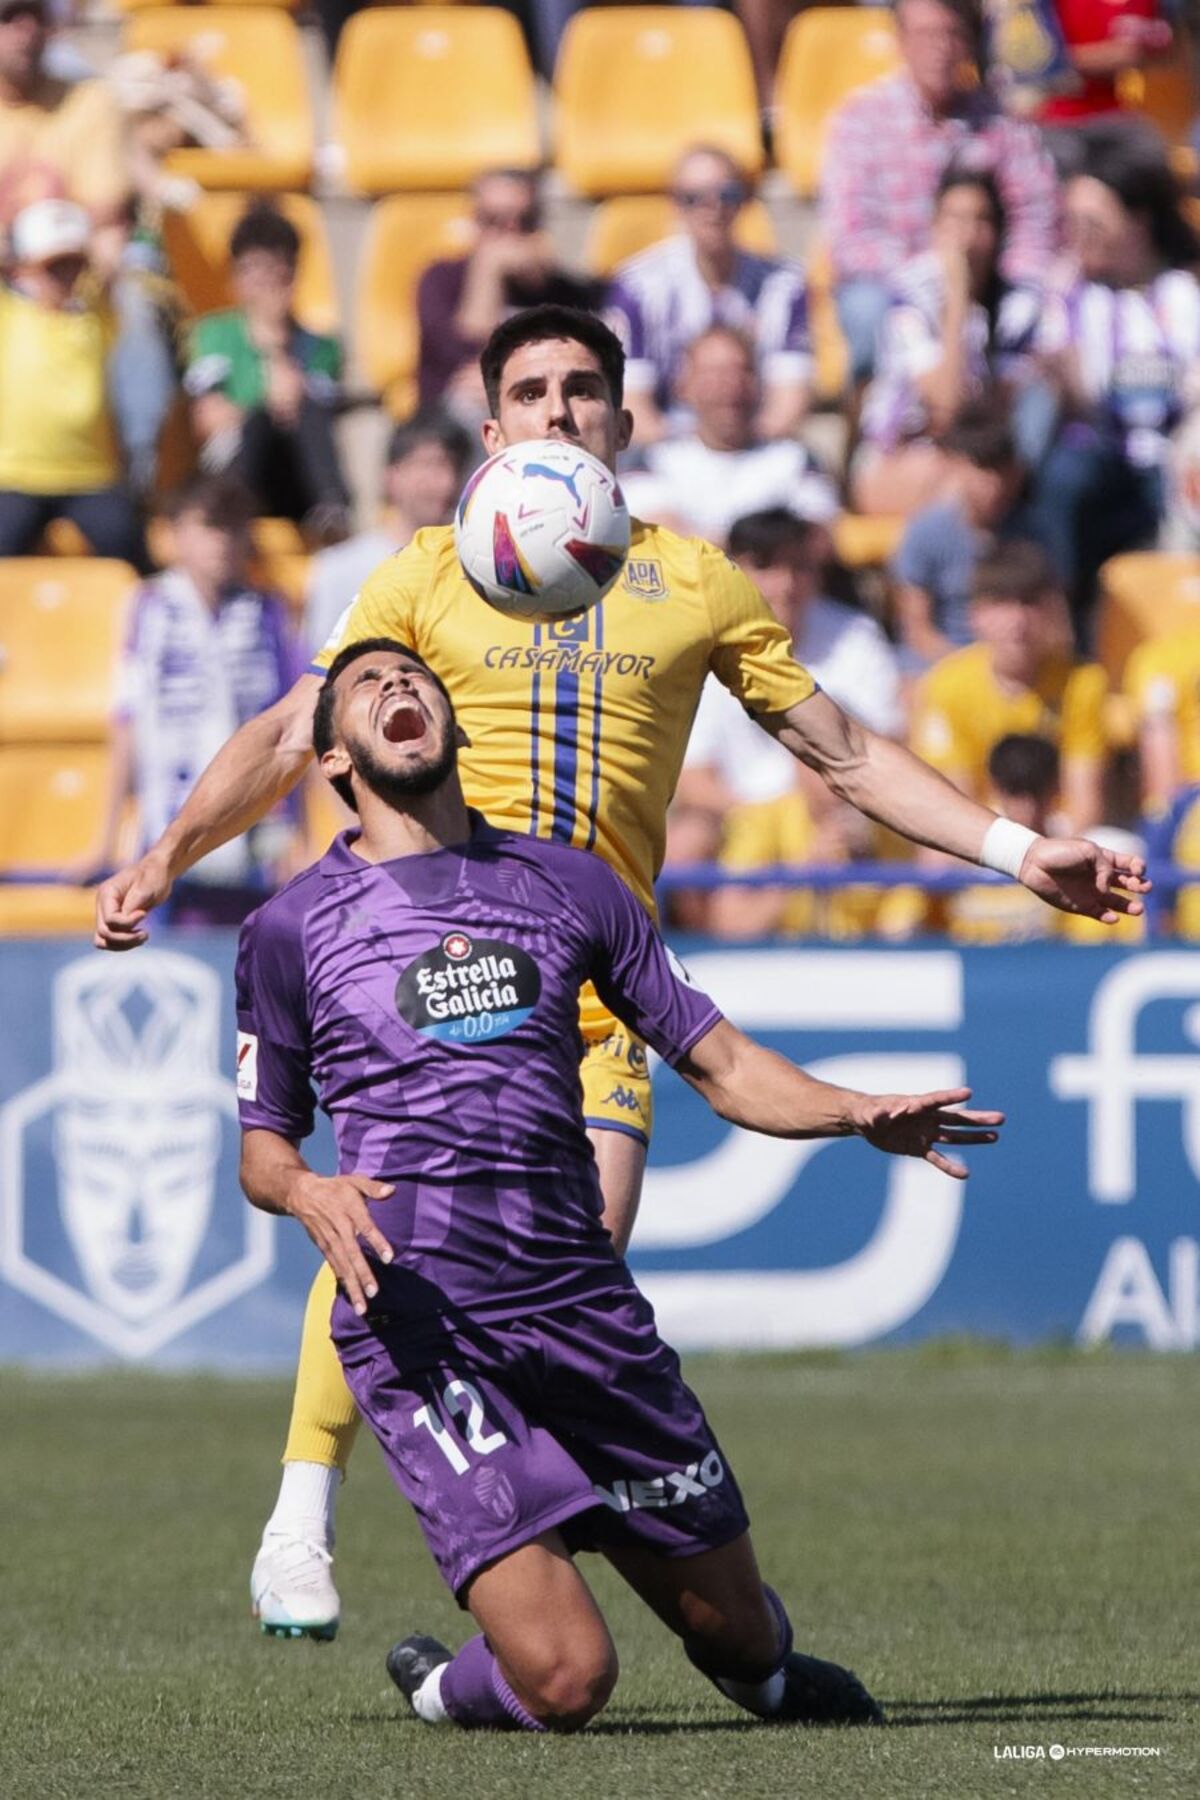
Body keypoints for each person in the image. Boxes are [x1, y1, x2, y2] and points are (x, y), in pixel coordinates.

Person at [94, 305, 1149, 1640]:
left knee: (573, 1272)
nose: (559, 410)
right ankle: (304, 1505)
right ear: (489, 432)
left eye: (583, 388)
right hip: (441, 972)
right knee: (402, 1223)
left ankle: (512, 1614)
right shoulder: (424, 574)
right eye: (530, 390)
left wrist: (1011, 847)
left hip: (601, 987)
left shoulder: (695, 581)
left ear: (624, 419)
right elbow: (287, 733)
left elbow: (841, 751)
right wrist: (164, 853)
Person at [236, 635, 1004, 1731]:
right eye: (365, 687)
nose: (398, 688)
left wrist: (854, 1112)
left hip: (581, 1302)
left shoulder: (568, 883)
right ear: (334, 762)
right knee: (567, 1681)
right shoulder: (289, 928)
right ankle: (444, 1688)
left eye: (415, 679)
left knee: (742, 1640)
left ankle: (762, 1673)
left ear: (452, 726)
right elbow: (262, 1147)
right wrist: (308, 1191)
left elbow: (725, 1065)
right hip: (429, 1325)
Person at [72, 475, 303, 921]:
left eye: (233, 528)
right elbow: (127, 720)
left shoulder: (269, 610)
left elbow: (294, 724)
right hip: (170, 827)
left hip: (257, 840)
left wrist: (301, 837)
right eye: (208, 527)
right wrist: (105, 837)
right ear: (174, 533)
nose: (221, 542)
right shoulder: (148, 606)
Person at [677, 507, 902, 940]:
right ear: (733, 571)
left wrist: (824, 810)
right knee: (688, 843)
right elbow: (695, 780)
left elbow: (888, 743)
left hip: (843, 801)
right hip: (743, 814)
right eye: (765, 566)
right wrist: (774, 822)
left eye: (798, 566)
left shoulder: (856, 634)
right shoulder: (699, 645)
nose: (786, 583)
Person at [821, 0, 1057, 389]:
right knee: (867, 311)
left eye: (953, 35)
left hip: (988, 283)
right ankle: (874, 431)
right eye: (928, 35)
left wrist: (1017, 280)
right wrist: (933, 273)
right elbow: (850, 238)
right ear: (901, 40)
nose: (941, 48)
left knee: (1043, 328)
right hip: (896, 283)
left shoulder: (999, 121)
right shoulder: (861, 119)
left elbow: (1036, 214)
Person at [1030, 126, 1200, 643]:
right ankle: (1062, 628)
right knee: (1063, 477)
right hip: (1104, 455)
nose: (1080, 235)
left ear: (1138, 221)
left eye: (1094, 222)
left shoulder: (1183, 292)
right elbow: (1079, 403)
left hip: (1175, 453)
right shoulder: (1070, 294)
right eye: (1072, 222)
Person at [854, 170, 1044, 516]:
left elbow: (1004, 411)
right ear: (935, 226)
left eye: (981, 221)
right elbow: (945, 402)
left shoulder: (1018, 304)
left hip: (978, 457)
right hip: (900, 454)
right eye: (955, 219)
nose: (968, 235)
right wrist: (957, 296)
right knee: (954, 488)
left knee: (990, 480)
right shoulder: (909, 294)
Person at [605, 144, 811, 446]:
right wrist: (696, 454)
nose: (713, 208)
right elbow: (632, 404)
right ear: (674, 205)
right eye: (694, 198)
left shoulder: (784, 285)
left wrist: (730, 452)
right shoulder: (637, 287)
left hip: (755, 444)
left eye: (726, 194)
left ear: (744, 201)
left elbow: (788, 404)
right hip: (665, 447)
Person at [909, 540, 1109, 832]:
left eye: (1030, 602)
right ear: (975, 615)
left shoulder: (1083, 683)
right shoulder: (946, 685)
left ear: (1052, 610)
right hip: (979, 835)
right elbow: (952, 802)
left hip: (1058, 831)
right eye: (1002, 603)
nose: (1018, 620)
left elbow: (1086, 804)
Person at [184, 203, 351, 537]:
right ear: (235, 277)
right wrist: (265, 408)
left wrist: (275, 343)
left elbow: (308, 412)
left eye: (274, 271)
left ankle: (332, 511)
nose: (264, 283)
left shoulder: (322, 347)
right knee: (259, 423)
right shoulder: (213, 335)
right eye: (252, 270)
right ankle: (236, 515)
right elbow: (208, 418)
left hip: (297, 477)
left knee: (305, 414)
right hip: (238, 470)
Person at [0, 197, 145, 563]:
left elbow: (112, 272)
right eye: (53, 267)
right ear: (26, 268)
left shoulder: (98, 317)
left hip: (91, 478)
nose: (66, 277)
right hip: (17, 478)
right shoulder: (10, 315)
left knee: (129, 548)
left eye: (73, 265)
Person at [617, 325, 837, 545]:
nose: (731, 385)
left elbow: (818, 537)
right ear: (684, 386)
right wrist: (761, 546)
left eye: (743, 370)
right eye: (715, 373)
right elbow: (657, 537)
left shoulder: (796, 458)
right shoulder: (650, 460)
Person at [416, 169, 602, 422]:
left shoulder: (568, 292)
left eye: (524, 220)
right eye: (494, 220)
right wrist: (489, 272)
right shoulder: (440, 280)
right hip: (454, 423)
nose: (510, 231)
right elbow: (461, 355)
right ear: (474, 222)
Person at [305, 411, 471, 652]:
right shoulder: (338, 569)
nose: (446, 481)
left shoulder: (475, 566)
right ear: (391, 476)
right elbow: (320, 667)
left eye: (454, 467)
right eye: (429, 465)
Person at [890, 400, 1030, 672]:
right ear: (956, 466)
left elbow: (1054, 624)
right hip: (941, 667)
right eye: (982, 469)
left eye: (1001, 469)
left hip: (1019, 670)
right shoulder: (925, 532)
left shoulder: (1033, 533)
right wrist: (973, 675)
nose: (994, 484)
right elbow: (917, 631)